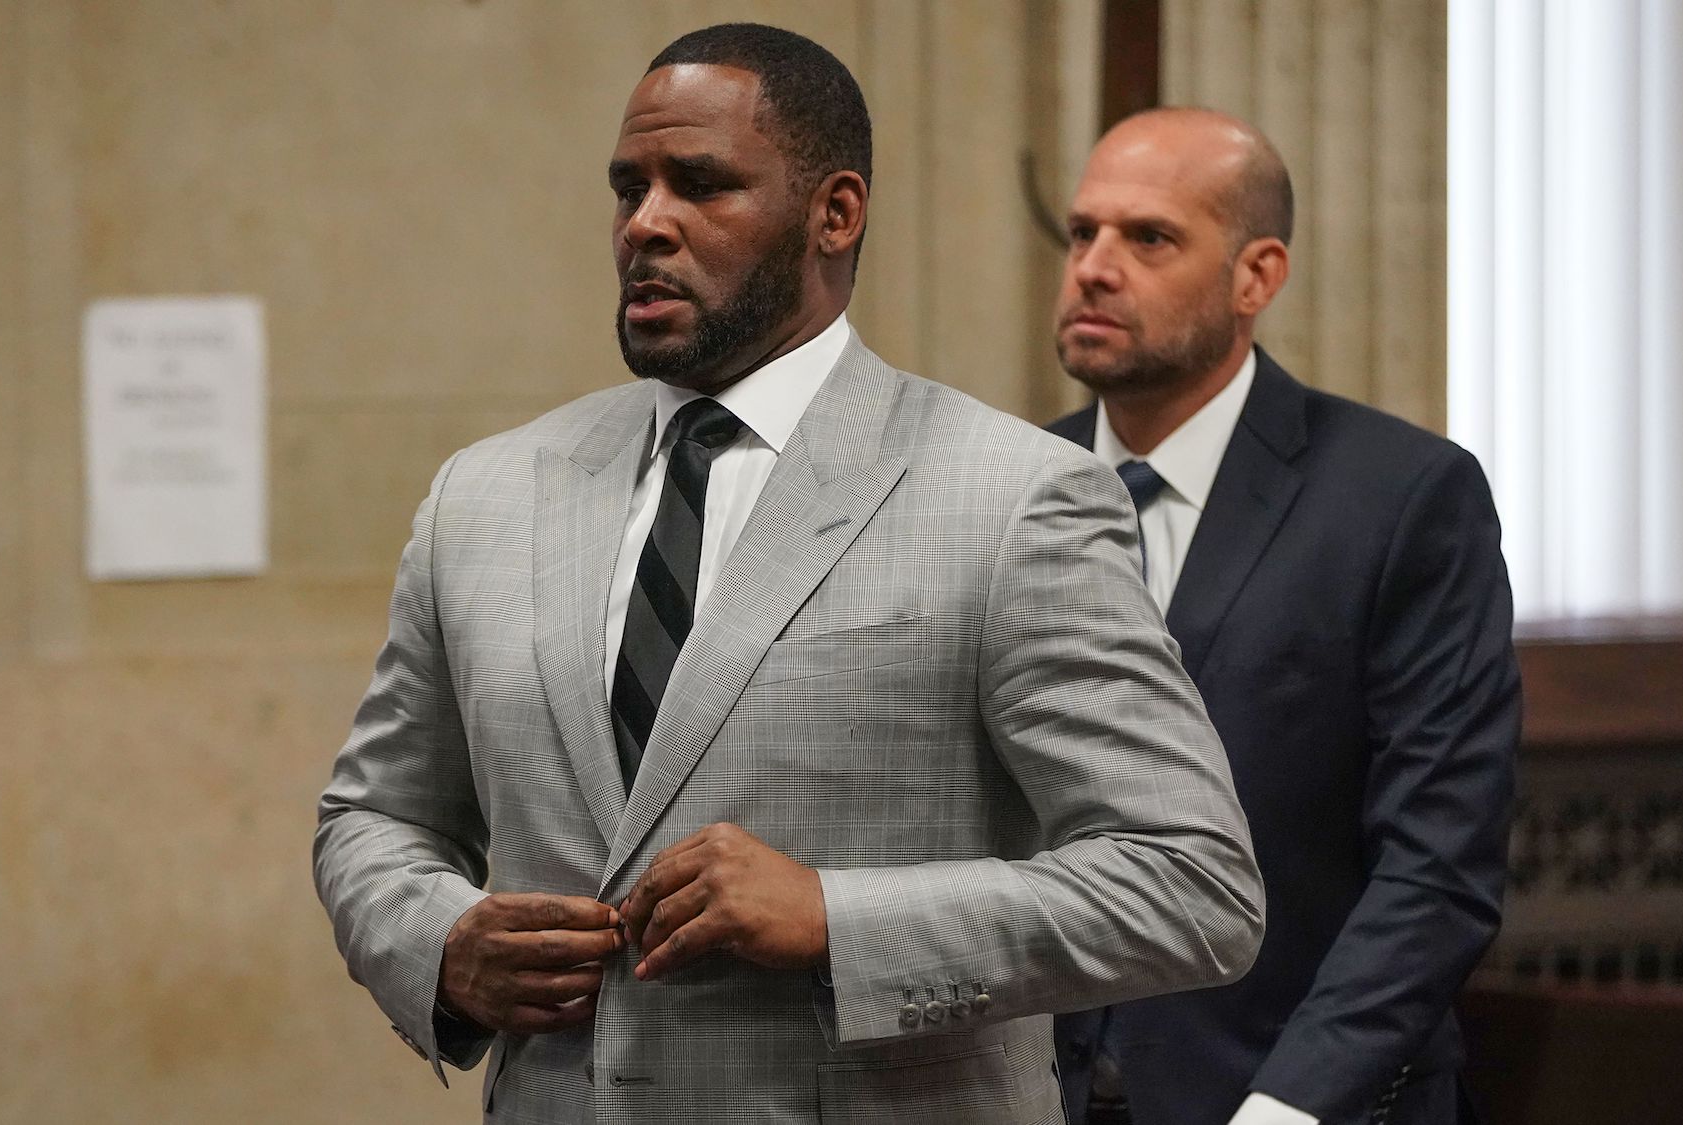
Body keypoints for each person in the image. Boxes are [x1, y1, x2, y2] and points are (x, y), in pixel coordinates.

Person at [314, 25, 1264, 1123]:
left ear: (835, 213)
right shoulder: (484, 496)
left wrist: (835, 918)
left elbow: (1191, 883)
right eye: (628, 188)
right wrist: (440, 945)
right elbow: (373, 816)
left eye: (700, 184)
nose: (646, 223)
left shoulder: (1010, 498)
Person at [1047, 108, 1519, 1125]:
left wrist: (1288, 1107)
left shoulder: (1399, 498)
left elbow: (1436, 866)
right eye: (1082, 232)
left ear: (1255, 276)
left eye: (1148, 237)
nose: (1092, 267)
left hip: (1293, 1096)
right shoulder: (1008, 485)